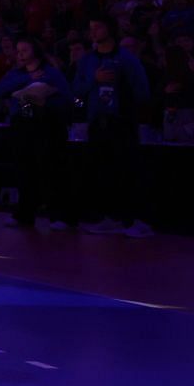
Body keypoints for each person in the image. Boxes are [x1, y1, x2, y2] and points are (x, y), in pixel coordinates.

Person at [73, 17, 152, 237]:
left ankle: (131, 220)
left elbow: (143, 91)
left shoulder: (126, 59)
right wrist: (93, 79)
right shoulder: (87, 61)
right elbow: (76, 92)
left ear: (110, 28)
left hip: (121, 122)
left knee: (125, 170)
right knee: (101, 171)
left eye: (97, 26)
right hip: (97, 123)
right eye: (91, 27)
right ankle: (109, 218)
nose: (94, 31)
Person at [0, 37, 71, 229]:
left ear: (36, 52)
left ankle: (59, 215)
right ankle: (24, 214)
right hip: (22, 124)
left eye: (24, 50)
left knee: (50, 169)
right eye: (18, 50)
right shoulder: (15, 74)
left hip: (46, 125)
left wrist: (47, 102)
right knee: (24, 170)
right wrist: (27, 79)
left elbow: (67, 98)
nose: (20, 54)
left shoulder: (51, 73)